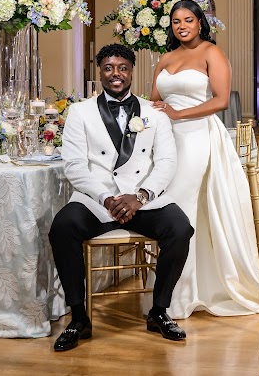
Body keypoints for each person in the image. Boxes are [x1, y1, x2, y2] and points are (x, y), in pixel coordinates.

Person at [49, 43, 194, 351]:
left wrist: (140, 196)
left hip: (142, 199)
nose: (116, 74)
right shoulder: (80, 112)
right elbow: (74, 166)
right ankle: (79, 318)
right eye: (109, 68)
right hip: (96, 199)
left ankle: (159, 311)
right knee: (62, 228)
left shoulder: (154, 113)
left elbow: (167, 162)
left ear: (131, 72)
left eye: (122, 68)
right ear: (100, 72)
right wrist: (106, 198)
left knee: (181, 228)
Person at [150, 0, 259, 319]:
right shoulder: (165, 58)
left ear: (200, 23)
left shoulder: (212, 53)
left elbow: (221, 100)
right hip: (167, 140)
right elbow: (154, 101)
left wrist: (179, 113)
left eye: (188, 20)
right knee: (170, 205)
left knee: (182, 205)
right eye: (176, 21)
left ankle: (181, 292)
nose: (182, 26)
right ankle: (173, 288)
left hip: (197, 136)